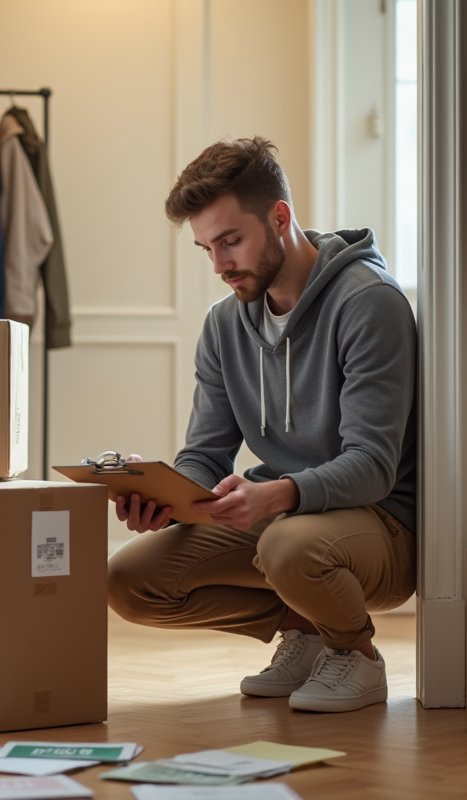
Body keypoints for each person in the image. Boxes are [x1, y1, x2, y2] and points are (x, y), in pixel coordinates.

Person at [106, 137, 417, 714]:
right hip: (285, 521)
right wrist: (168, 494)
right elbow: (204, 451)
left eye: (231, 241)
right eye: (206, 249)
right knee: (129, 579)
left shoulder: (368, 303)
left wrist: (279, 494)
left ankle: (357, 656)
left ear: (280, 217)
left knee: (285, 545)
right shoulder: (224, 326)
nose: (221, 265)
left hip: (381, 527)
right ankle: (304, 629)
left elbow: (374, 466)